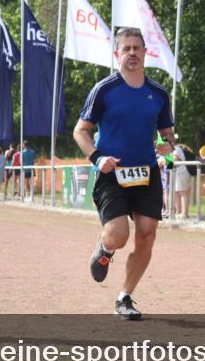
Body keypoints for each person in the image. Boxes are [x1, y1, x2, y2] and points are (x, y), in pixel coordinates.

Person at [74, 27, 177, 321]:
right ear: (117, 54)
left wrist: (166, 146)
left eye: (137, 48)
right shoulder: (105, 89)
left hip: (146, 174)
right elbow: (80, 131)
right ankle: (105, 248)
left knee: (147, 233)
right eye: (126, 48)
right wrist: (97, 157)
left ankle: (125, 297)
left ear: (145, 53)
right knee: (119, 235)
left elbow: (168, 135)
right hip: (112, 174)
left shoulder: (158, 94)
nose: (132, 52)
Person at [172, 143, 193, 219]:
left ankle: (184, 213)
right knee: (177, 192)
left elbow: (175, 159)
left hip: (182, 172)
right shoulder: (175, 148)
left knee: (182, 192)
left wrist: (165, 159)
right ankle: (179, 212)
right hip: (178, 172)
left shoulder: (176, 148)